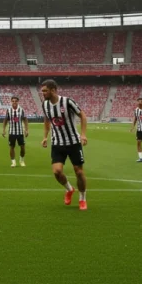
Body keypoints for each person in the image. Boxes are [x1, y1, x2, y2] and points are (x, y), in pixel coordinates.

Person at [40, 79, 89, 210]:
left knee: (79, 172)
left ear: (53, 90)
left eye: (45, 91)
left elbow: (82, 115)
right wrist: (45, 137)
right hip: (57, 143)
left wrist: (83, 134)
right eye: (42, 91)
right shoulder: (45, 105)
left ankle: (82, 198)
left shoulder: (68, 102)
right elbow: (46, 121)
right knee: (57, 172)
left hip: (73, 142)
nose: (43, 93)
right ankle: (69, 189)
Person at [1, 96, 28, 167]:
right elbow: (5, 120)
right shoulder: (8, 110)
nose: (14, 102)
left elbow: (25, 119)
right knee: (12, 147)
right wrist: (3, 130)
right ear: (11, 102)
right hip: (11, 132)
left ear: (18, 102)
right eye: (13, 101)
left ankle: (21, 160)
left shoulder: (21, 110)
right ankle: (13, 162)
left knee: (22, 147)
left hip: (20, 132)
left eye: (15, 101)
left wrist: (26, 129)